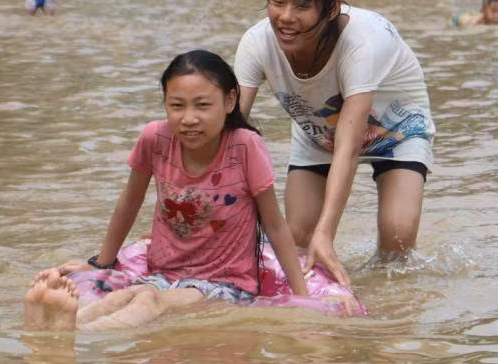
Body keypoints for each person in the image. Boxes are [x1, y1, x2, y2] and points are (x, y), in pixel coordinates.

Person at [24, 50, 311, 331]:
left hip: (226, 284)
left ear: (230, 101)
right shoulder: (155, 138)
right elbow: (129, 203)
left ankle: (70, 333)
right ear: (165, 104)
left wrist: (303, 298)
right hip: (161, 274)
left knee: (150, 300)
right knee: (127, 294)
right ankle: (61, 321)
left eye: (202, 105)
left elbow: (275, 225)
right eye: (177, 106)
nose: (189, 118)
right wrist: (101, 264)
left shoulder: (245, 146)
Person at [233, 0, 435, 284]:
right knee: (296, 237)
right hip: (318, 131)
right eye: (278, 0)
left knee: (397, 238)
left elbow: (349, 147)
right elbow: (229, 129)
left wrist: (326, 234)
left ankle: (386, 304)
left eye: (302, 5)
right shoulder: (256, 43)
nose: (285, 17)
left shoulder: (362, 43)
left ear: (331, 8)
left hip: (397, 130)